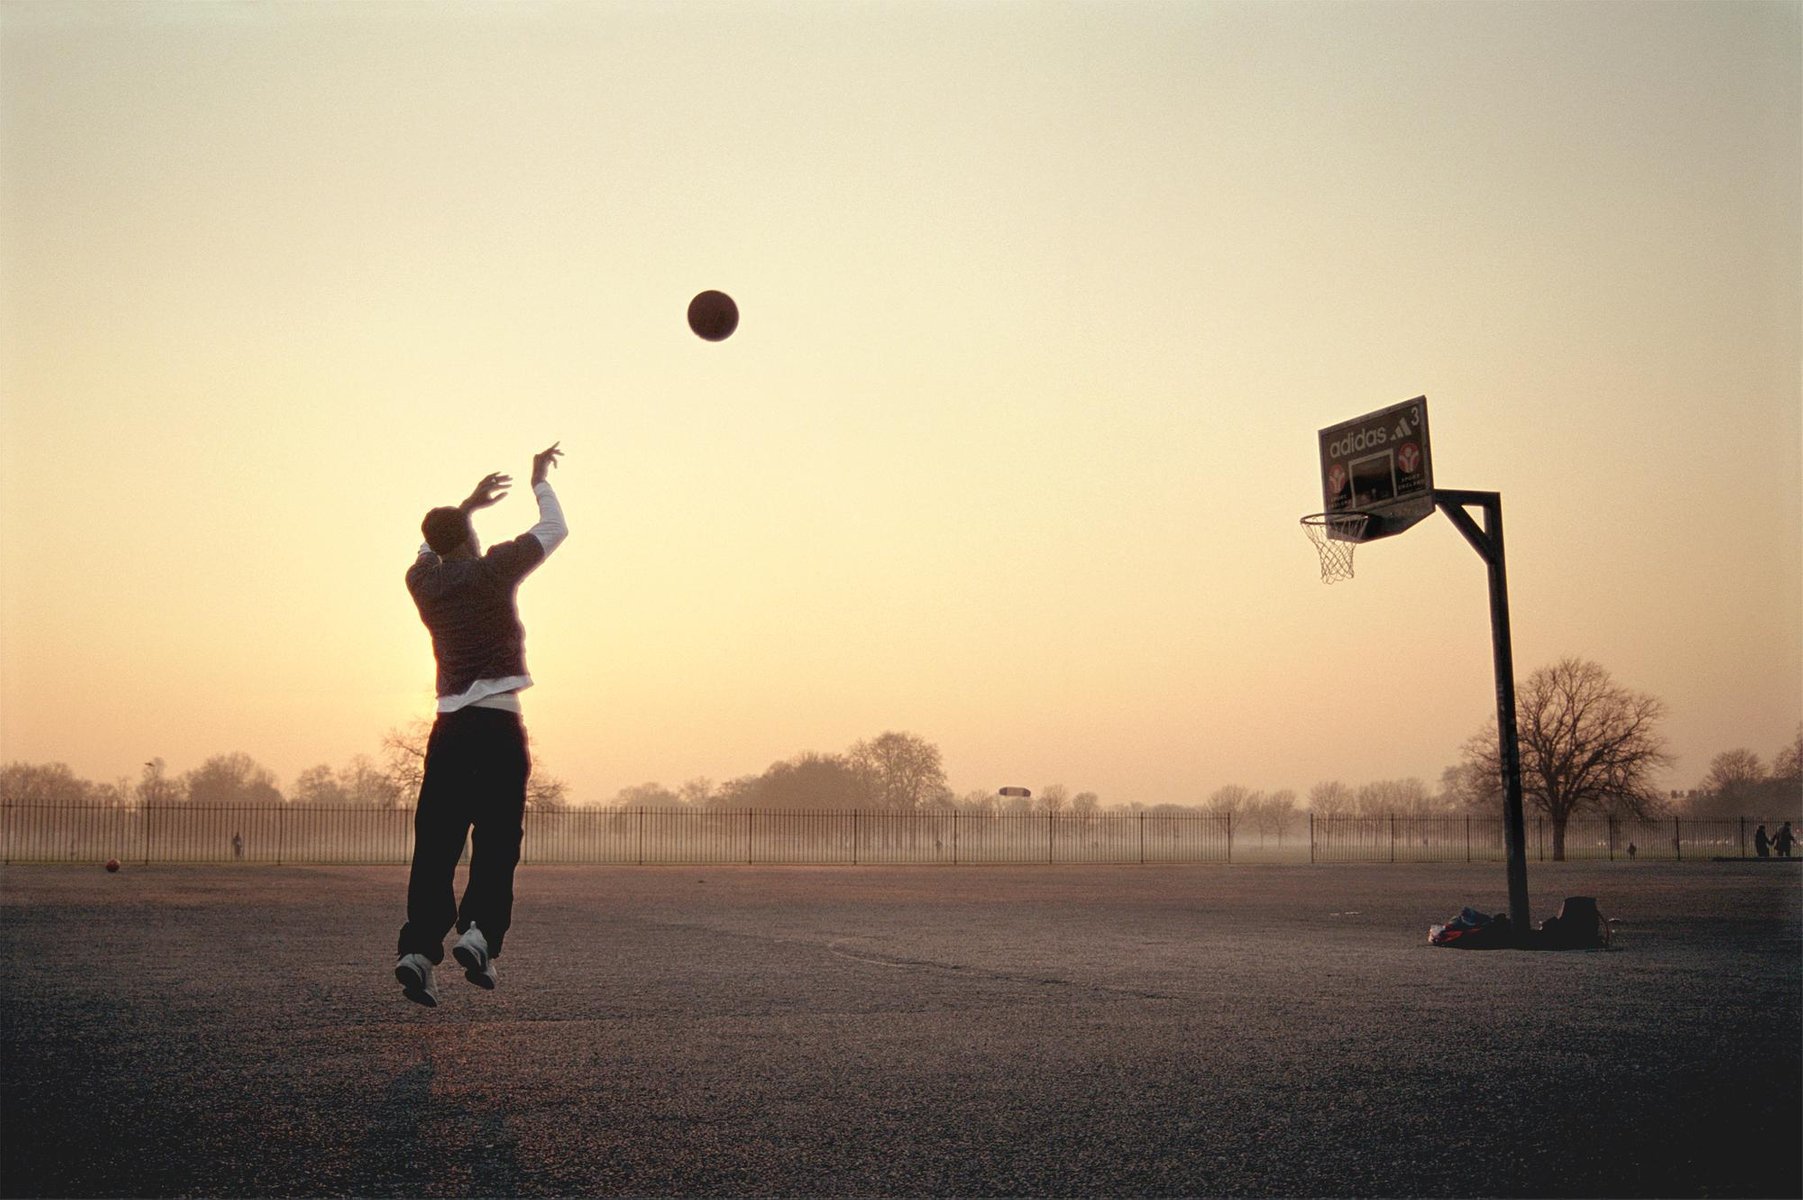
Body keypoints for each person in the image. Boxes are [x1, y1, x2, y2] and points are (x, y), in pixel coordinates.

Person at [393, 443, 567, 1007]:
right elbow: (554, 527)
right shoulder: (493, 570)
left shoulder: (423, 583)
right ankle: (479, 934)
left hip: (447, 733)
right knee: (496, 841)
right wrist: (539, 479)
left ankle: (419, 952)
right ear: (467, 540)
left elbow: (430, 542)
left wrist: (463, 509)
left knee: (436, 845)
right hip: (496, 727)